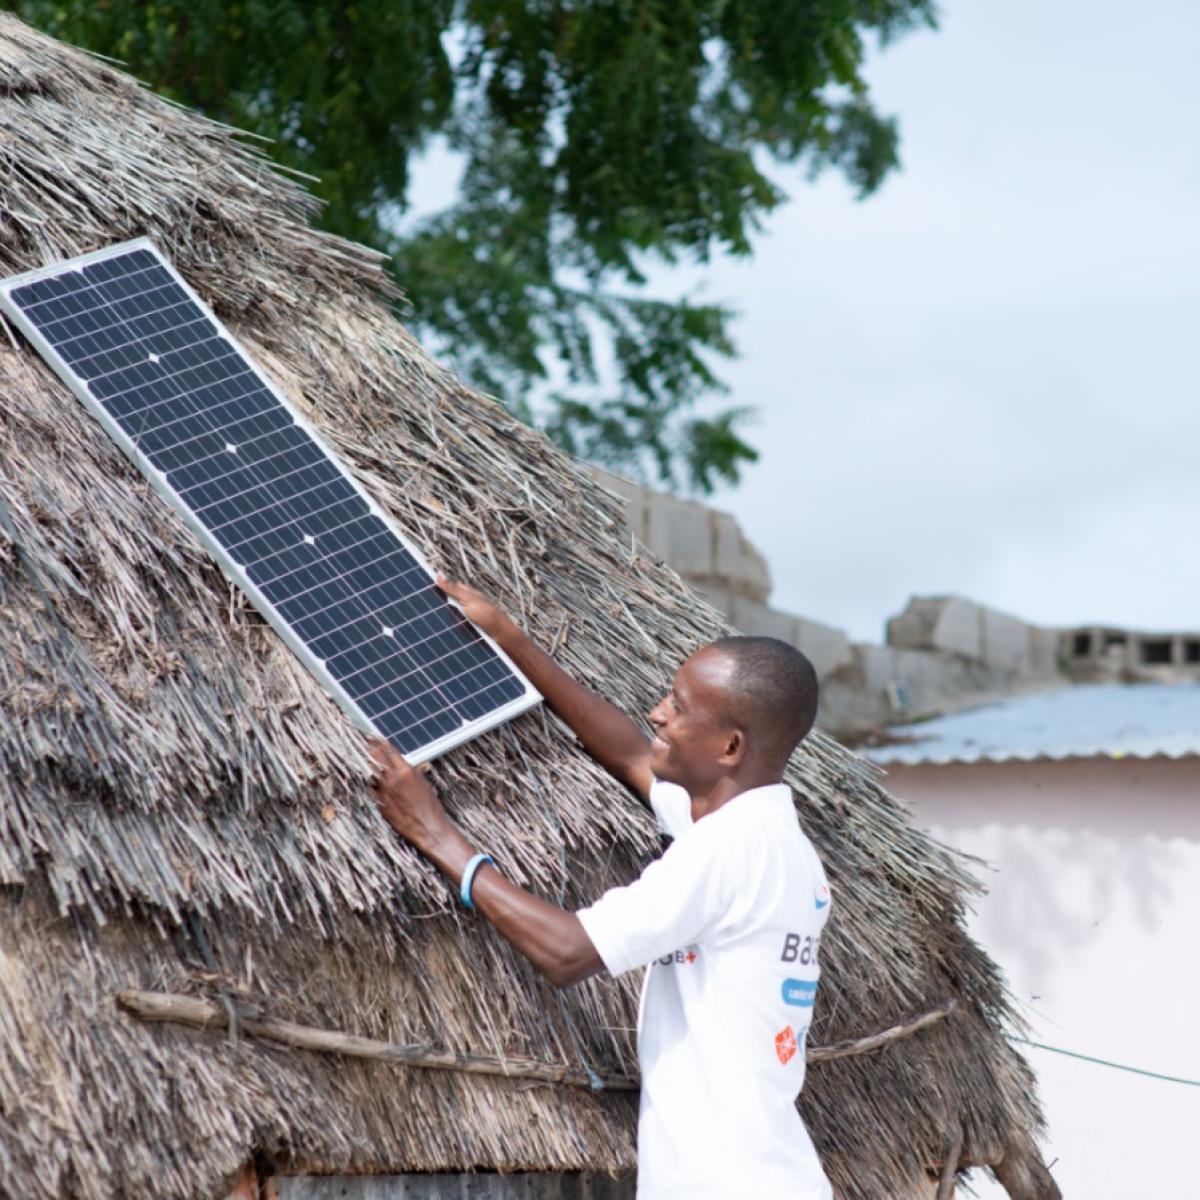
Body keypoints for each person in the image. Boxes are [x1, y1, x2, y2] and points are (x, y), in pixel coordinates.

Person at [369, 573, 833, 1200]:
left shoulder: (728, 852)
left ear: (729, 746)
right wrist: (511, 640)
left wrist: (436, 835)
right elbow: (633, 757)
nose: (658, 713)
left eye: (679, 706)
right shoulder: (767, 834)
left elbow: (568, 951)